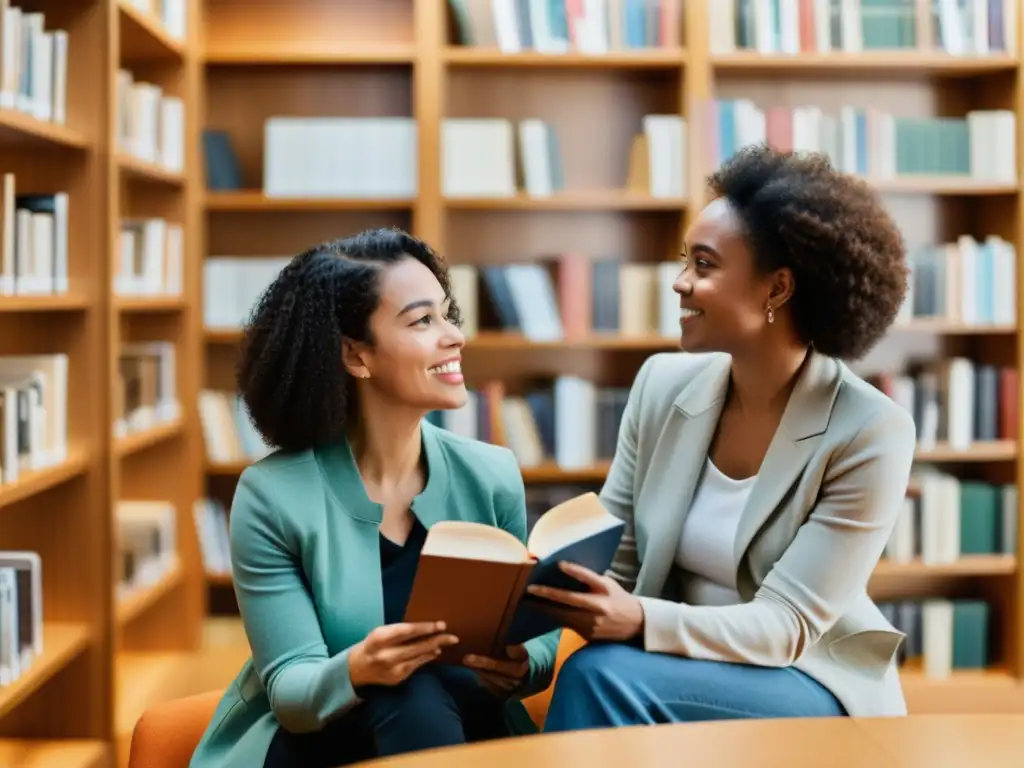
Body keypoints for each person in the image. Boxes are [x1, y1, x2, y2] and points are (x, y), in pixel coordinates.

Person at [529, 144, 917, 730]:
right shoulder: (662, 385)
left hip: (808, 677)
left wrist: (638, 621)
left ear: (777, 289)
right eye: (685, 262)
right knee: (584, 670)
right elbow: (618, 564)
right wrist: (527, 606)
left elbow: (786, 625)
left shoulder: (869, 430)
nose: (680, 284)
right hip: (673, 660)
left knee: (600, 674)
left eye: (704, 265)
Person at [188, 228, 559, 768]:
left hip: (464, 728)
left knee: (423, 692)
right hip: (323, 740)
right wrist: (359, 667)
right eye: (421, 320)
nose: (454, 335)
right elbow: (291, 690)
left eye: (447, 313)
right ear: (356, 355)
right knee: (409, 690)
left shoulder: (492, 473)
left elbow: (536, 635)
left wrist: (523, 663)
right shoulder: (272, 497)